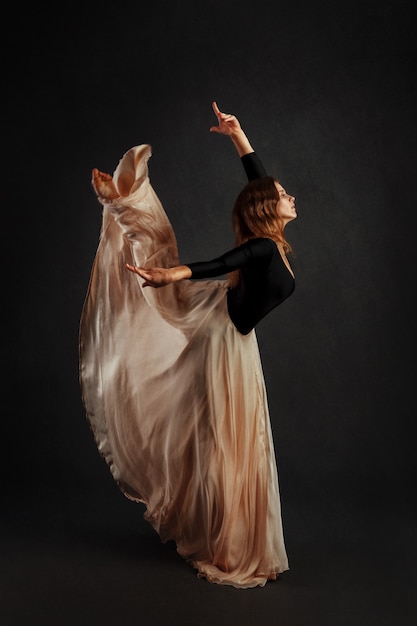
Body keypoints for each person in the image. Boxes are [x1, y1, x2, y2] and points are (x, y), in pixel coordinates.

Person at [80, 101, 297, 589]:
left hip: (237, 341)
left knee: (227, 442)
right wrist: (178, 272)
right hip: (225, 340)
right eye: (283, 195)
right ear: (269, 210)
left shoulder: (272, 239)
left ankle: (227, 535)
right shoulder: (263, 245)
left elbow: (257, 188)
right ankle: (124, 205)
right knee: (225, 442)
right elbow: (227, 259)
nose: (290, 197)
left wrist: (240, 137)